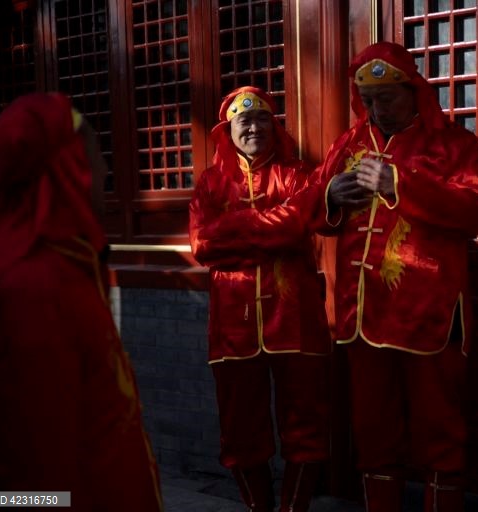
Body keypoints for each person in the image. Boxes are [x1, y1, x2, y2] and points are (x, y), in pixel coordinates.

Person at [311, 42, 478, 511]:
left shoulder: (455, 145)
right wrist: (330, 194)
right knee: (374, 433)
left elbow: (473, 211)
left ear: (412, 91)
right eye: (367, 99)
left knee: (441, 434)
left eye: (386, 97)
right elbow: (310, 211)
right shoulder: (347, 145)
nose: (376, 109)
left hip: (429, 314)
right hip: (362, 314)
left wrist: (400, 185)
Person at [0, 93, 162, 511]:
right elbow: (27, 484)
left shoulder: (66, 264)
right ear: (69, 168)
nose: (105, 169)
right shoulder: (29, 291)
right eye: (96, 154)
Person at [189, 86, 332, 512]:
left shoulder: (299, 175)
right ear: (228, 131)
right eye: (243, 121)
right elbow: (202, 245)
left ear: (275, 125)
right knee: (239, 428)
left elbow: (301, 224)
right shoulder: (211, 183)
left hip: (295, 317)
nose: (253, 128)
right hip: (233, 323)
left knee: (305, 424)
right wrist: (273, 228)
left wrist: (237, 228)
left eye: (262, 119)